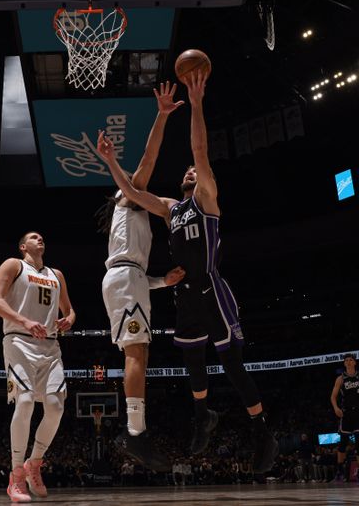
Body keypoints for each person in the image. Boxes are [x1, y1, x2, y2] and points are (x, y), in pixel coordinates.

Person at [95, 70, 277, 474]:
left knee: (228, 363)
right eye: (188, 173)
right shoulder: (167, 208)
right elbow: (134, 186)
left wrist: (195, 105)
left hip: (211, 286)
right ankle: (200, 417)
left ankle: (261, 431)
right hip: (175, 292)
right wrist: (110, 161)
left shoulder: (206, 196)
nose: (190, 172)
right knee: (191, 360)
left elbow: (198, 150)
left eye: (194, 172)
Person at [97, 81, 185, 470]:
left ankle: (135, 430)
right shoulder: (128, 197)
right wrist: (161, 116)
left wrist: (161, 282)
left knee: (141, 352)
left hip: (129, 280)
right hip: (124, 280)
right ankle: (135, 435)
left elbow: (135, 271)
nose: (140, 179)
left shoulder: (133, 214)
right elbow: (149, 157)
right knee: (137, 352)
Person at [0, 231, 76, 503]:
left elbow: (70, 311)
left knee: (56, 406)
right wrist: (24, 321)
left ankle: (33, 463)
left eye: (42, 237)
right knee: (24, 402)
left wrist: (68, 319)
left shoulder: (56, 274)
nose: (40, 239)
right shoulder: (14, 265)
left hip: (50, 346)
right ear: (22, 246)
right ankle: (15, 476)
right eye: (33, 237)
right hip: (19, 341)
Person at [330, 354, 359, 483]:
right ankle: (339, 471)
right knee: (343, 443)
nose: (349, 362)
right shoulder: (340, 379)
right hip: (346, 413)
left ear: (355, 363)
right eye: (346, 361)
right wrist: (336, 408)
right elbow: (333, 397)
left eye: (351, 360)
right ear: (344, 364)